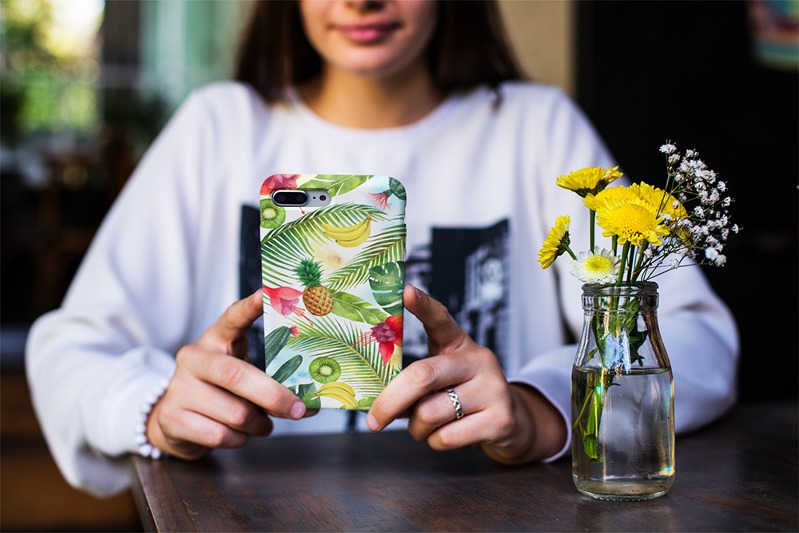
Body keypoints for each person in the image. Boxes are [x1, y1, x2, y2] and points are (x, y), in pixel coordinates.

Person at [26, 0, 739, 497]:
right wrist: (154, 409)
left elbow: (694, 336)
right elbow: (70, 347)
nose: (361, 1)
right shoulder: (219, 127)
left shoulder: (535, 126)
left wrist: (540, 406)